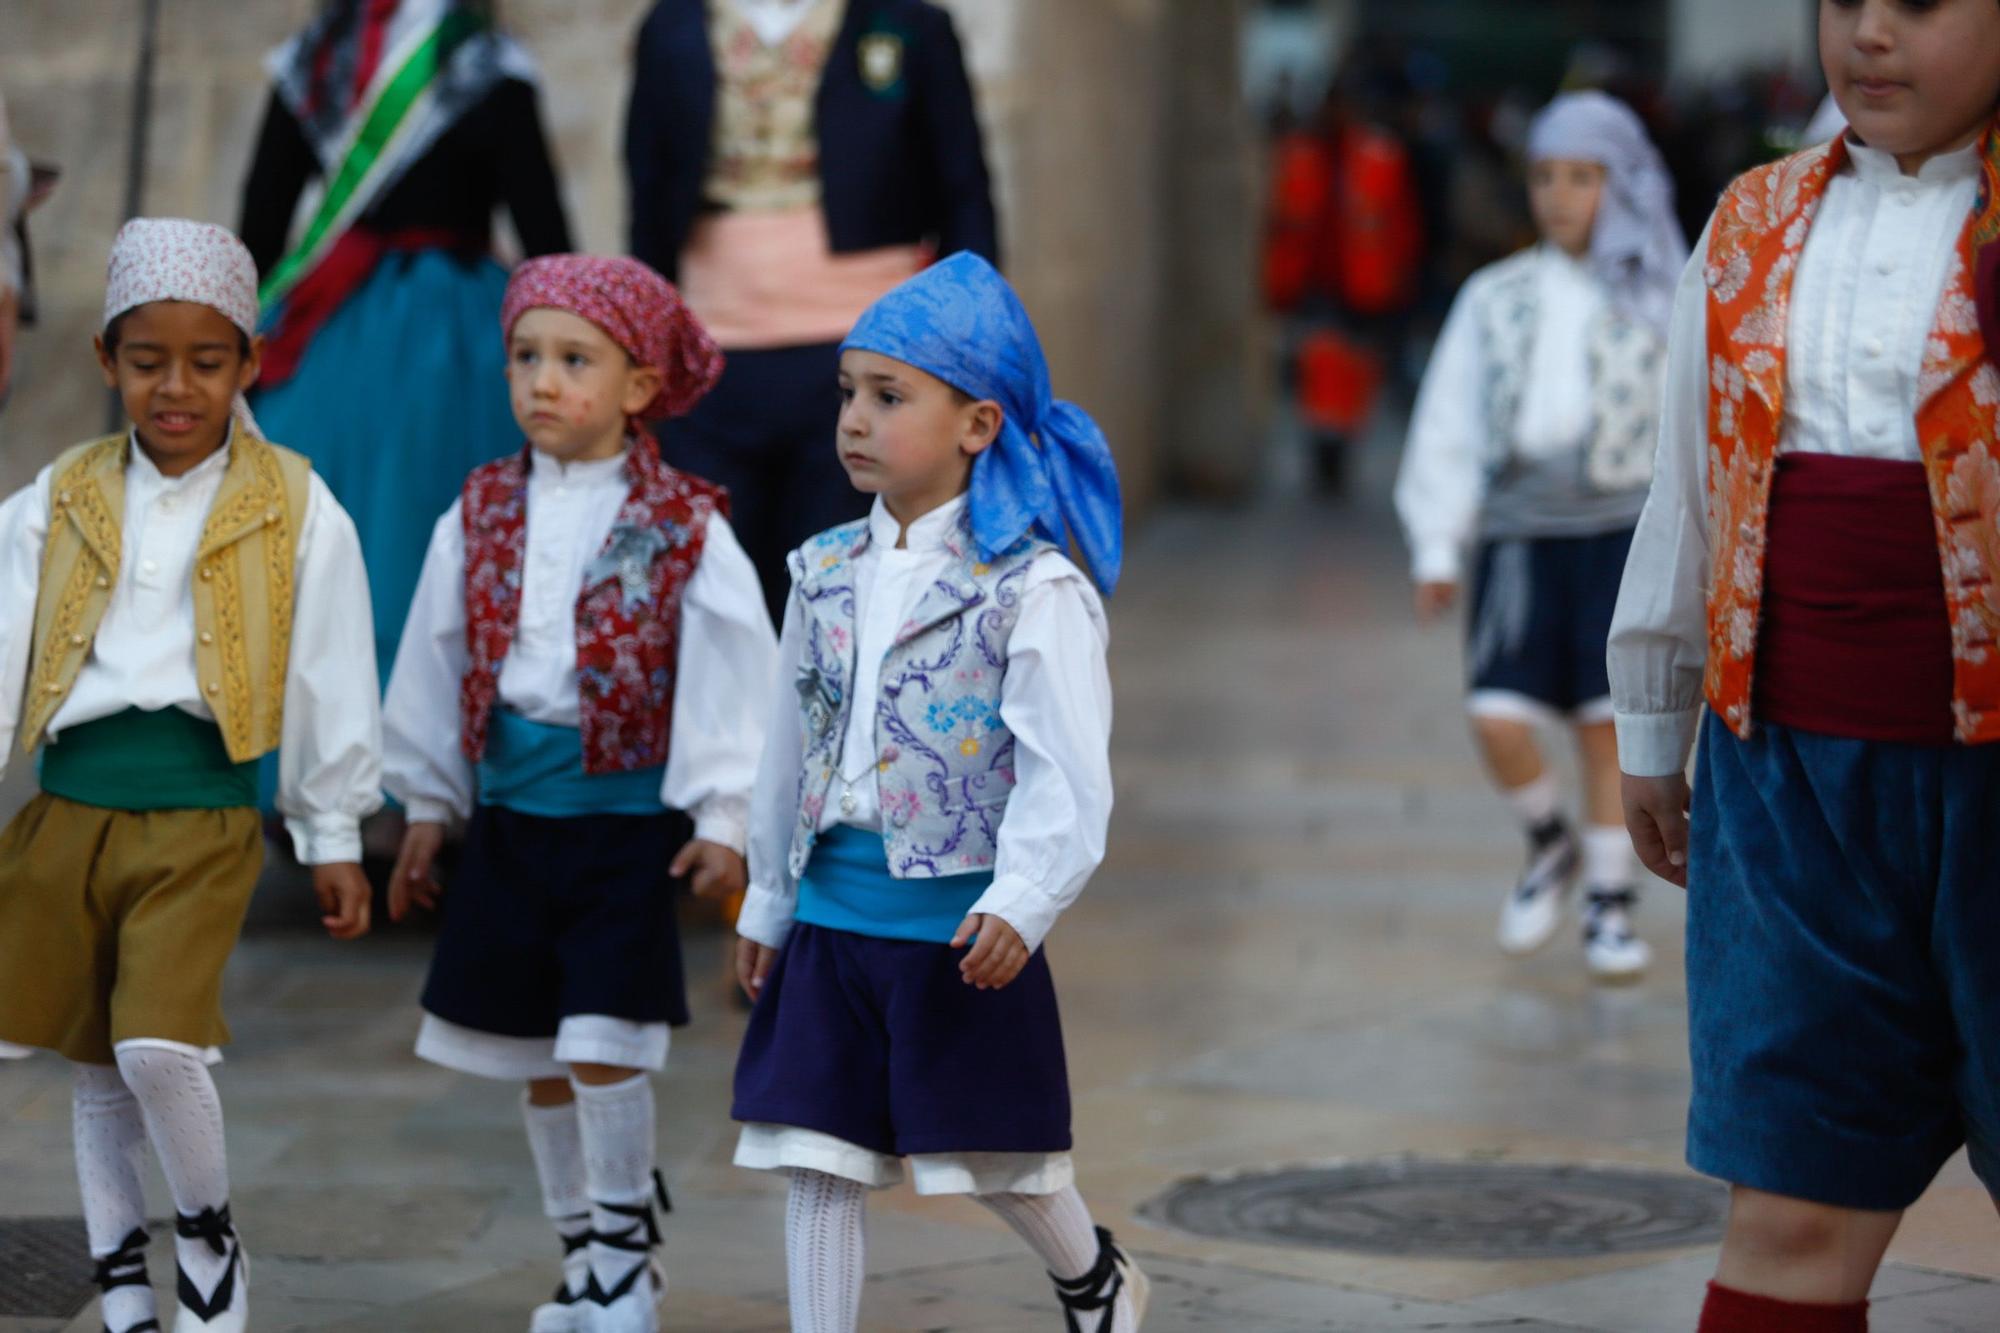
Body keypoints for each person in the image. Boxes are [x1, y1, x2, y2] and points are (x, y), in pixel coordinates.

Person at [1611, 1, 2000, 1327]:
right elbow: (1692, 485)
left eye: (1925, 3)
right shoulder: (1752, 221)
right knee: (1790, 1199)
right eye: (1846, 0)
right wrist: (1655, 728)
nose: (1873, 34)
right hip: (1792, 789)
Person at [729, 253, 1142, 1333]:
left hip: (955, 923)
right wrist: (768, 898)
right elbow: (788, 745)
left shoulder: (1030, 588)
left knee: (996, 1152)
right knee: (817, 1158)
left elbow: (1066, 764)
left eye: (888, 394)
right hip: (830, 915)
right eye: (847, 393)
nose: (854, 419)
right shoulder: (817, 571)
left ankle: (1093, 1276)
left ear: (979, 424)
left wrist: (1023, 897)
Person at [382, 254, 777, 1333]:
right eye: (525, 357)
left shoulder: (685, 523)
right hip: (513, 824)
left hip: (618, 833)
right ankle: (587, 1256)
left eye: (573, 360)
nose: (542, 382)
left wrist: (723, 818)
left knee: (602, 1043)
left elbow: (731, 677)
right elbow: (433, 651)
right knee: (535, 1056)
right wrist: (428, 806)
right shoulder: (476, 511)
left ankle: (623, 1250)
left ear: (641, 385)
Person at [0, 218, 380, 1333]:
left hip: (203, 811)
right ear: (106, 361)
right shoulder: (54, 497)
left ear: (251, 361)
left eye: (207, 361)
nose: (176, 386)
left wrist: (334, 835)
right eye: (147, 360)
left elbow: (328, 676)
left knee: (156, 1039)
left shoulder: (297, 505)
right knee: (94, 1061)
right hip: (69, 809)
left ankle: (207, 1232)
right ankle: (121, 1277)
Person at [1396, 90, 1685, 983]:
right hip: (1520, 536)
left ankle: (1607, 901)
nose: (1561, 196)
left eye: (1584, 177)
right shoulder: (1496, 296)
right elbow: (1448, 416)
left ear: (1625, 184)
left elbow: (1696, 426)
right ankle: (1549, 841)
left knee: (1608, 729)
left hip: (1618, 535)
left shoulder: (1664, 299)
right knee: (1498, 711)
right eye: (1546, 176)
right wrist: (1438, 541)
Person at [625, 0, 1000, 624]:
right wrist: (646, 347)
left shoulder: (908, 22)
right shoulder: (673, 25)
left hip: (867, 358)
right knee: (714, 595)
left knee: (841, 590)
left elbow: (965, 193)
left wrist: (969, 349)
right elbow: (647, 193)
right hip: (712, 357)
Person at [240, 0, 573, 685]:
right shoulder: (487, 63)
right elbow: (547, 239)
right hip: (461, 340)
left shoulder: (315, 63)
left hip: (337, 339)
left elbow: (258, 229)